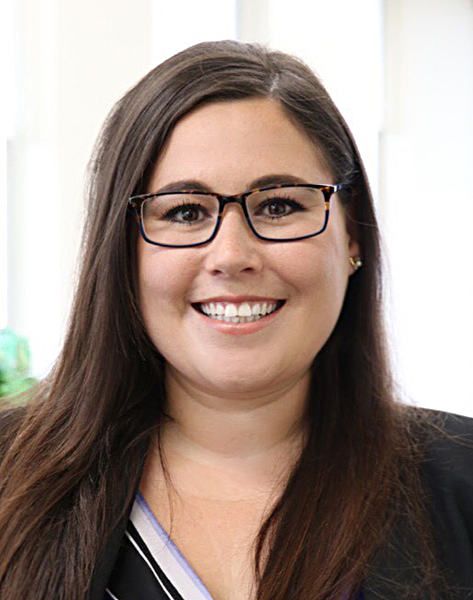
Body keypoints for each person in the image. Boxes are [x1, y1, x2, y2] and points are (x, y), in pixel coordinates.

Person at [0, 40, 472, 600]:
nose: (230, 255)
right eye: (184, 212)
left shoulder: (461, 483)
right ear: (121, 254)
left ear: (352, 235)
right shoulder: (10, 481)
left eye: (278, 206)